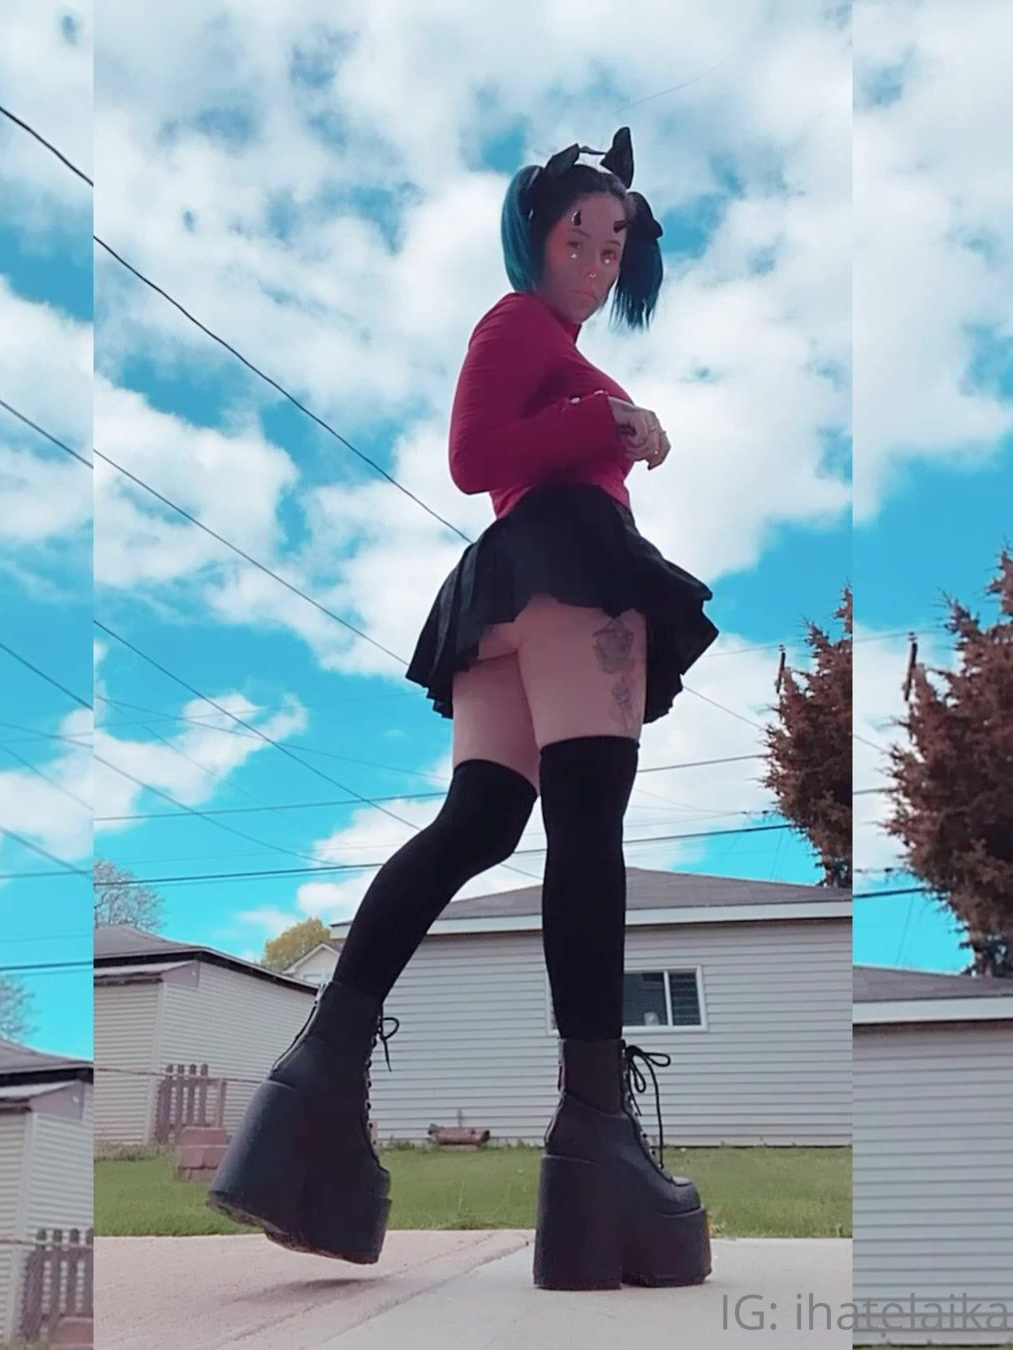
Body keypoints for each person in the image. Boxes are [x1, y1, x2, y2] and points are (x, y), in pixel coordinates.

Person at [208, 127, 718, 1291]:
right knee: (586, 823)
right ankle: (595, 1137)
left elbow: (522, 451)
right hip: (565, 567)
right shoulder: (516, 322)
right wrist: (611, 423)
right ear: (534, 233)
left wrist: (626, 421)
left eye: (615, 247)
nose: (596, 261)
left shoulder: (555, 344)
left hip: (508, 594)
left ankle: (316, 1086)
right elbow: (475, 454)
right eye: (579, 237)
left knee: (482, 821)